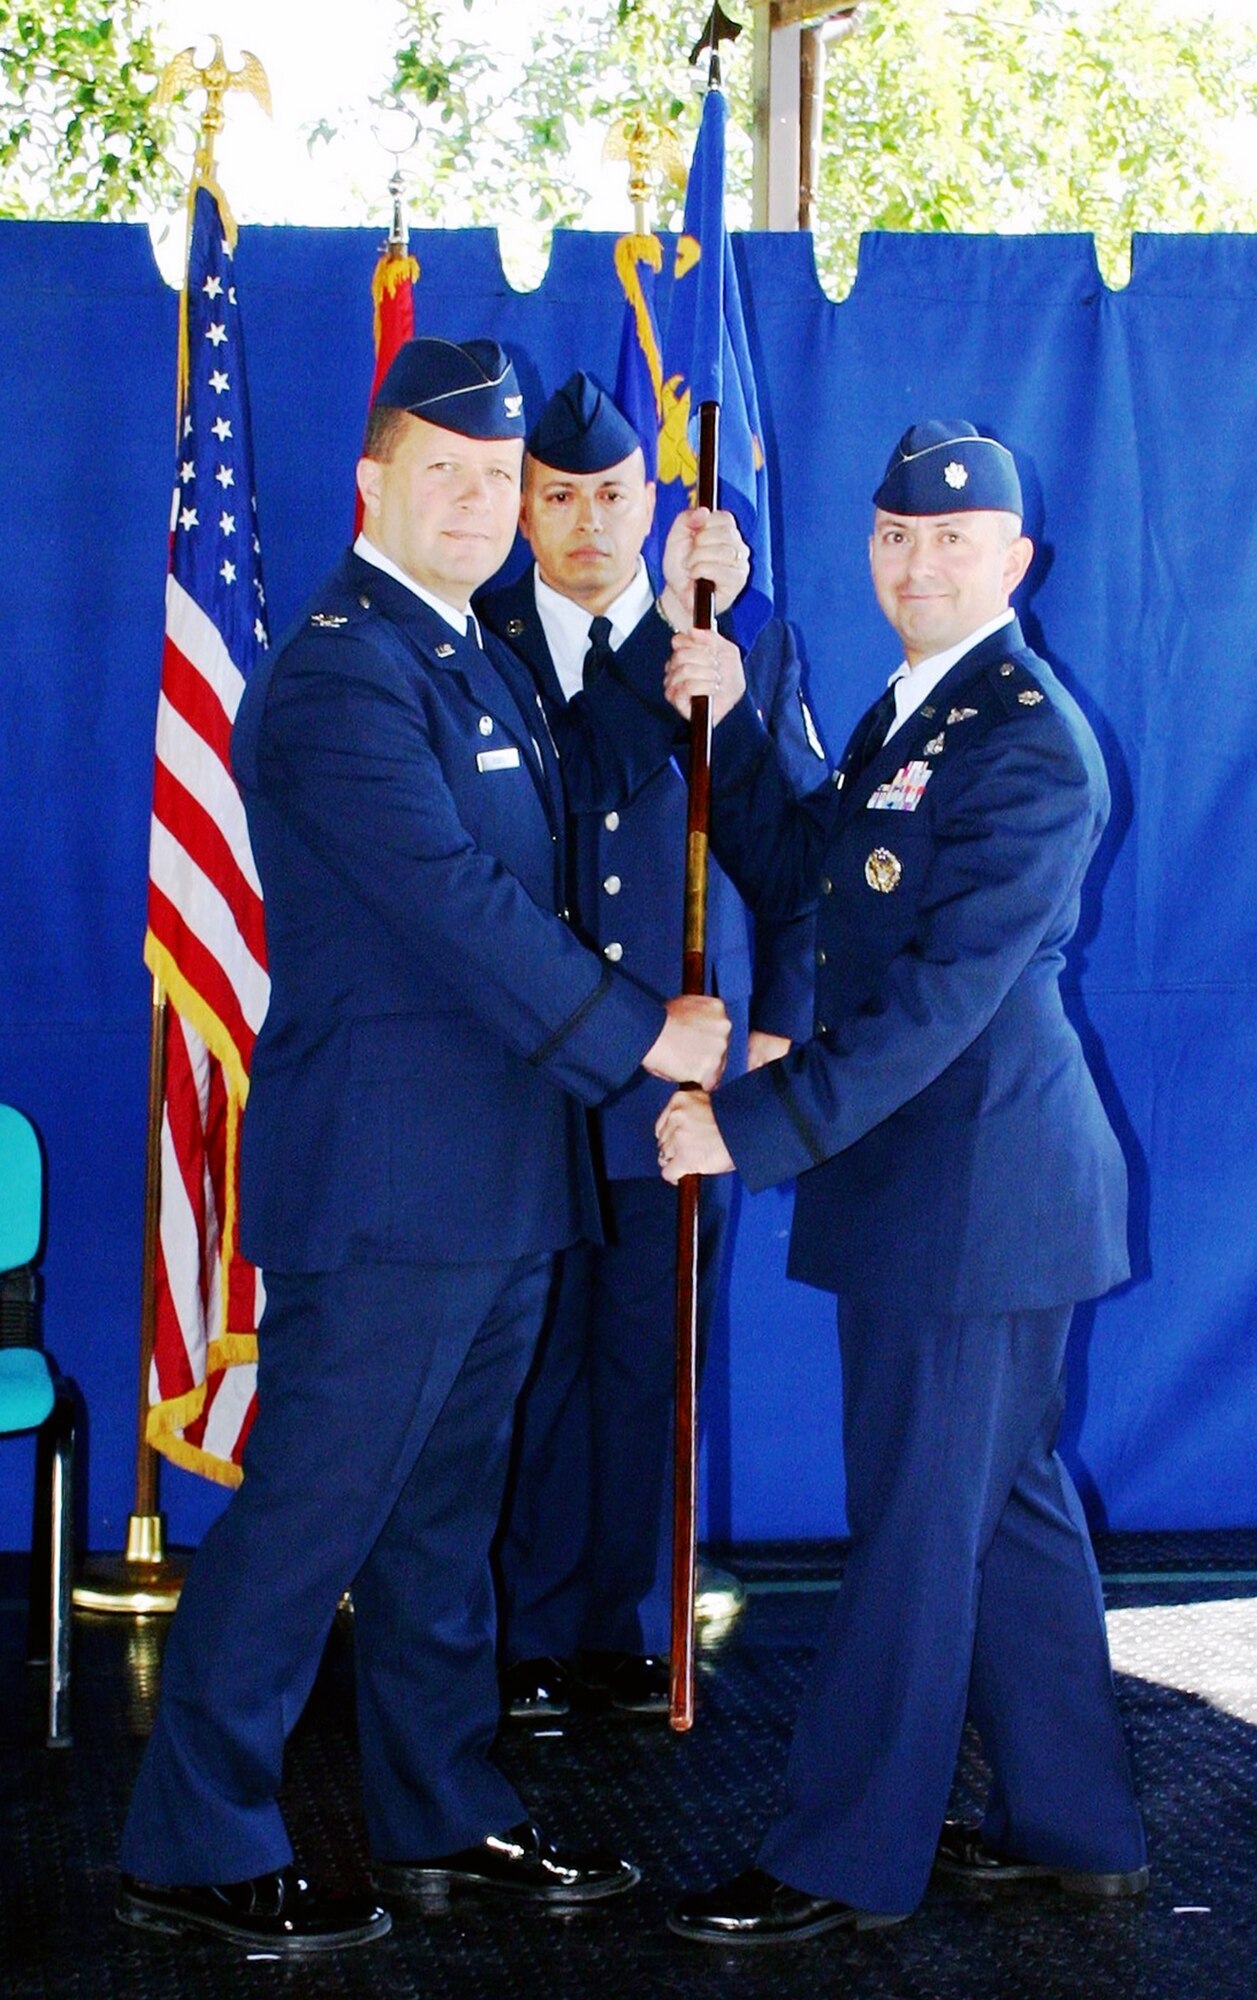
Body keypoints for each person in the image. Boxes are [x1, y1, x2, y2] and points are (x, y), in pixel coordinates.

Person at [115, 337, 736, 1955]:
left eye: (494, 480)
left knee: (440, 1522)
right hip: (390, 1185)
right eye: (444, 475)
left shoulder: (463, 651)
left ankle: (439, 1810)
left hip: (493, 1175)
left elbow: (574, 798)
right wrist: (639, 1035)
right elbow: (455, 909)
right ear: (372, 486)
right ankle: (192, 1838)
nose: (476, 502)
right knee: (315, 1511)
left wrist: (691, 632)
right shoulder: (339, 670)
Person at [656, 420, 1148, 1943]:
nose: (916, 560)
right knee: (1000, 1512)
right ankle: (1074, 1824)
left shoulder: (1024, 740)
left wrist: (752, 1123)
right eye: (893, 535)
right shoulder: (911, 708)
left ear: (1015, 560)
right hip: (942, 1193)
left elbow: (938, 1000)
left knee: (915, 1540)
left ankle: (833, 1861)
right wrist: (730, 721)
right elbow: (811, 864)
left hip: (974, 1199)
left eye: (951, 539)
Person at [478, 373, 824, 1720]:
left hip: (668, 1091)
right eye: (555, 498)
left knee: (642, 1367)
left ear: (655, 507)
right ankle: (514, 1633)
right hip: (511, 1082)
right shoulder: (470, 635)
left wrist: (779, 1039)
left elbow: (788, 859)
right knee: (520, 1372)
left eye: (610, 497)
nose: (582, 524)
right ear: (518, 505)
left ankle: (618, 1626)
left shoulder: (730, 643)